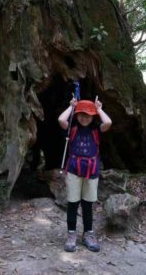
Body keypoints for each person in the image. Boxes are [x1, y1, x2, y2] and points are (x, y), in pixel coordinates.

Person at [58, 97, 112, 252]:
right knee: (73, 204)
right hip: (74, 170)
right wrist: (71, 106)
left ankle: (88, 235)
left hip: (91, 171)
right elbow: (61, 119)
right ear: (77, 114)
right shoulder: (72, 129)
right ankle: (71, 235)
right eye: (81, 114)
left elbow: (108, 123)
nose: (84, 117)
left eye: (88, 115)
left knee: (88, 205)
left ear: (93, 116)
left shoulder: (96, 130)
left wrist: (99, 109)